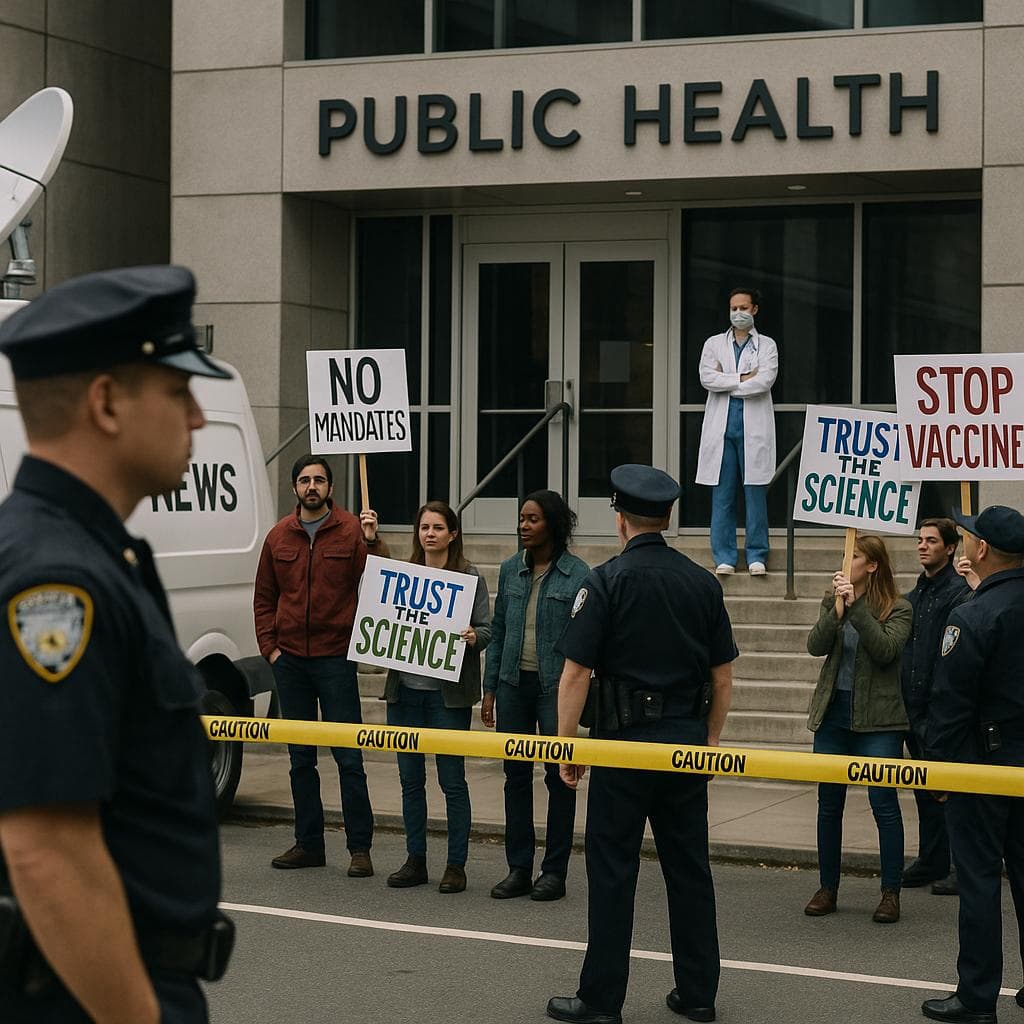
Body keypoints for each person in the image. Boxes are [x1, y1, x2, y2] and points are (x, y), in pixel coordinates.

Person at [0, 265, 235, 1023]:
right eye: (177, 390)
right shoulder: (58, 581)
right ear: (105, 402)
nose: (198, 417)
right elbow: (48, 845)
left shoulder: (89, 553)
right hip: (87, 997)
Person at [546, 464, 737, 1024]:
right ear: (669, 517)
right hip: (683, 742)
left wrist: (565, 747)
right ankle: (698, 993)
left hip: (622, 746)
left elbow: (575, 674)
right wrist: (711, 738)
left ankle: (602, 1001)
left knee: (612, 872)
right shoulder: (703, 583)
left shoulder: (604, 581)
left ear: (619, 517)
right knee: (689, 870)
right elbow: (722, 677)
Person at [253, 454, 389, 876]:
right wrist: (271, 650)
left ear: (331, 487)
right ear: (294, 488)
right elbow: (264, 598)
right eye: (305, 480)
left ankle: (359, 849)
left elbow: (378, 583)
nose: (312, 486)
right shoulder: (278, 537)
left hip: (334, 659)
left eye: (320, 480)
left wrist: (372, 542)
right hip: (290, 662)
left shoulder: (351, 531)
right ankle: (308, 844)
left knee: (349, 758)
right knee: (300, 760)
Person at [921, 506, 1024, 1024]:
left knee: (980, 880)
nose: (963, 541)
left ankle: (978, 996)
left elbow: (951, 702)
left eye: (967, 536)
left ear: (981, 551)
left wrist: (938, 770)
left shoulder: (973, 614)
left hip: (983, 766)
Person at [481, 490, 590, 902]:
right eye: (521, 518)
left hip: (555, 687)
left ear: (554, 525)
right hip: (513, 685)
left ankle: (554, 872)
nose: (524, 526)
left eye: (533, 519)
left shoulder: (577, 574)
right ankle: (518, 868)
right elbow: (501, 630)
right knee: (515, 776)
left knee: (559, 776)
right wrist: (490, 687)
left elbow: (586, 641)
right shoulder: (511, 569)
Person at [382, 501, 490, 894]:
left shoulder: (468, 577)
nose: (430, 533)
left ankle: (456, 864)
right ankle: (415, 860)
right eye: (424, 527)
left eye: (438, 527)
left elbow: (488, 628)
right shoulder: (403, 576)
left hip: (448, 699)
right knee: (410, 781)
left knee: (452, 782)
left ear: (453, 534)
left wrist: (475, 638)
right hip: (405, 694)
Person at [803, 534, 912, 924]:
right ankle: (827, 887)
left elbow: (885, 651)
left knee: (884, 804)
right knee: (828, 804)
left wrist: (858, 608)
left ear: (872, 566)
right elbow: (814, 647)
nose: (845, 562)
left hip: (879, 720)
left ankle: (890, 892)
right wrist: (835, 611)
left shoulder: (898, 608)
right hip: (834, 716)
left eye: (854, 557)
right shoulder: (831, 601)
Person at [901, 518, 970, 897]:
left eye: (931, 541)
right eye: (920, 540)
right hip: (913, 707)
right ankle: (932, 859)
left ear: (950, 548)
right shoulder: (915, 596)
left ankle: (962, 865)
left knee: (951, 791)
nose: (922, 546)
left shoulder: (959, 594)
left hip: (941, 708)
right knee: (924, 790)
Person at [695, 287, 778, 577]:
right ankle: (725, 555)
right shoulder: (714, 344)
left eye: (744, 307)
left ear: (754, 310)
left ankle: (757, 554)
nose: (738, 313)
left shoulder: (767, 345)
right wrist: (743, 377)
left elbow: (764, 381)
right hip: (722, 430)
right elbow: (707, 378)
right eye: (733, 308)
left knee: (755, 492)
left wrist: (727, 380)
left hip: (753, 431)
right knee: (723, 494)